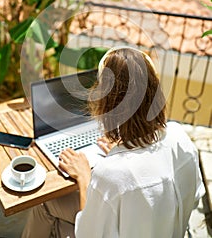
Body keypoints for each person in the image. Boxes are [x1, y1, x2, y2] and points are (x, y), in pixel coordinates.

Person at [22, 46, 205, 238]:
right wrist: (123, 148)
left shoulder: (110, 174)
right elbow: (192, 198)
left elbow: (87, 234)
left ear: (107, 103)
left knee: (44, 205)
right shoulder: (180, 137)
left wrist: (85, 177)